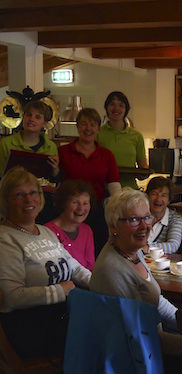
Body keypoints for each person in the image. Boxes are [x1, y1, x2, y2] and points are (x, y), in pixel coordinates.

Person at [0, 167, 91, 358]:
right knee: (104, 329)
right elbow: (11, 297)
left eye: (33, 192)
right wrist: (60, 291)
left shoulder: (45, 231)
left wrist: (98, 282)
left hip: (62, 314)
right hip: (31, 325)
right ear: (6, 201)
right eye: (19, 195)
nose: (29, 200)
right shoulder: (5, 239)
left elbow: (73, 266)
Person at [89, 188, 178, 333]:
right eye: (134, 219)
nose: (144, 226)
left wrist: (180, 320)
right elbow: (139, 335)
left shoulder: (132, 250)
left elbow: (155, 299)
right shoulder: (111, 270)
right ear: (113, 226)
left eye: (147, 217)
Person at [58, 107, 121, 256]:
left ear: (98, 128)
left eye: (93, 124)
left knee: (97, 251)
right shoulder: (63, 152)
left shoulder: (106, 155)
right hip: (70, 212)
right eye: (84, 124)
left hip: (97, 212)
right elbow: (56, 181)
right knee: (69, 251)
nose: (88, 128)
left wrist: (119, 209)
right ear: (78, 126)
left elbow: (114, 187)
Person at [97, 91, 147, 189]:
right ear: (106, 108)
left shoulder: (136, 136)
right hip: (104, 190)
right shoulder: (98, 133)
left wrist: (144, 173)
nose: (116, 108)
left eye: (121, 105)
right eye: (112, 104)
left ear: (126, 109)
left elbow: (143, 167)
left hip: (130, 191)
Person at [45, 179, 96, 271]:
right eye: (75, 202)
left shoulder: (87, 230)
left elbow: (90, 266)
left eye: (85, 203)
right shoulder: (48, 231)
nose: (81, 208)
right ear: (63, 203)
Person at [0, 100, 59, 177]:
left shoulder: (51, 147)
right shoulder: (6, 144)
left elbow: (53, 180)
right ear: (23, 118)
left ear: (44, 123)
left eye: (37, 117)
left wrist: (55, 170)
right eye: (29, 115)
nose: (31, 119)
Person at [144, 176, 182, 254]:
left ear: (169, 200)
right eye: (154, 194)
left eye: (163, 195)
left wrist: (147, 248)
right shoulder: (140, 215)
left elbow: (173, 246)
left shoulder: (175, 219)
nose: (158, 199)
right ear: (147, 196)